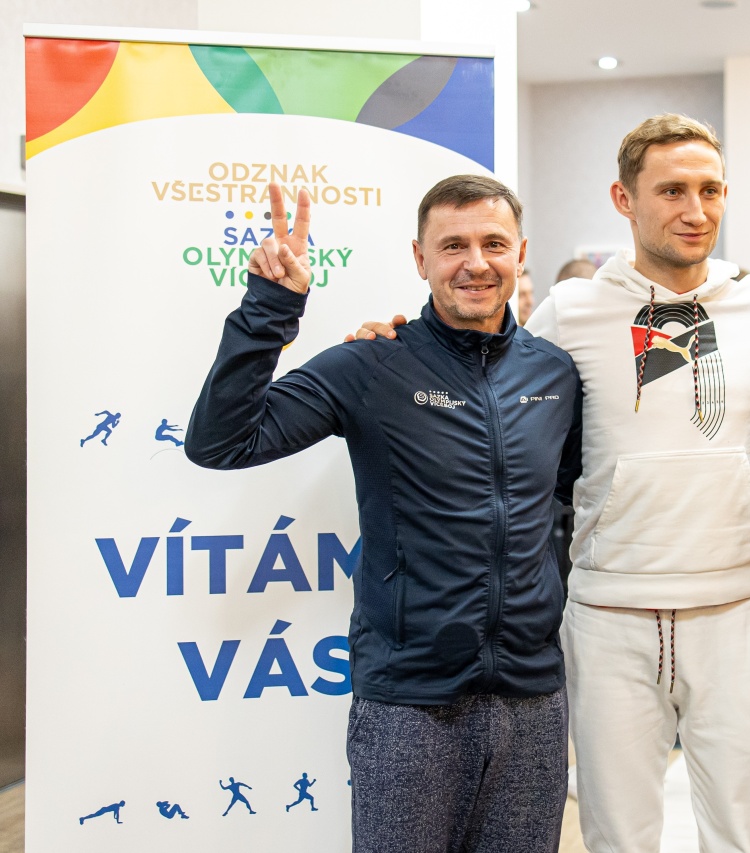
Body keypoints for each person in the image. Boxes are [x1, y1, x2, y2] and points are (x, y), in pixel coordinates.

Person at [354, 114, 750, 853]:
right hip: (608, 616)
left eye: (710, 190)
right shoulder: (570, 312)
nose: (695, 210)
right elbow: (481, 378)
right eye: (671, 191)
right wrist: (393, 346)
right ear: (624, 199)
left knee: (749, 833)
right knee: (616, 836)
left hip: (735, 611)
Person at [186, 177, 582, 852]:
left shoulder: (555, 374)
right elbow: (222, 442)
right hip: (409, 704)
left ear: (520, 254)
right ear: (419, 259)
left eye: (493, 243)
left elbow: (570, 499)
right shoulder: (373, 363)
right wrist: (269, 308)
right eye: (452, 246)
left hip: (533, 699)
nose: (475, 262)